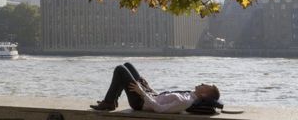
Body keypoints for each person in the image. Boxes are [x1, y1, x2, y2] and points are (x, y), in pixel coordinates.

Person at [90, 62, 220, 114]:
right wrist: (149, 88)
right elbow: (162, 99)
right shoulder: (189, 95)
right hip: (148, 95)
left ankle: (109, 102)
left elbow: (159, 109)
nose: (202, 83)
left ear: (204, 95)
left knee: (120, 69)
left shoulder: (185, 101)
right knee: (127, 65)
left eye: (205, 86)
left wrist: (141, 92)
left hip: (140, 102)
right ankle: (111, 101)